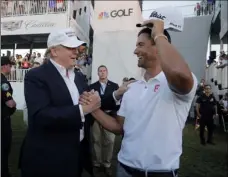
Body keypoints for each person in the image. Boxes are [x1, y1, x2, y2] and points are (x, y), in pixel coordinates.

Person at [80, 19, 197, 177]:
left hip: (160, 173)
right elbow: (120, 127)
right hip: (125, 169)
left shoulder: (175, 83)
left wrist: (159, 35)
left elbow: (180, 75)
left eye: (140, 45)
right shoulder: (132, 88)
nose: (135, 51)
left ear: (158, 46)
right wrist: (94, 108)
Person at [19, 28, 127, 177]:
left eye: (76, 48)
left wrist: (117, 93)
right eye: (70, 47)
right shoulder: (36, 76)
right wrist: (82, 110)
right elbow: (40, 115)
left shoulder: (78, 77)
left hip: (76, 155)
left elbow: (93, 102)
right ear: (54, 51)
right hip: (49, 158)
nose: (76, 52)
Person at [90, 65, 119, 177]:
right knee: (97, 141)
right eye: (100, 71)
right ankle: (97, 164)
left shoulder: (114, 86)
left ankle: (107, 164)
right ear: (98, 74)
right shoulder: (92, 86)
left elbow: (117, 101)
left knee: (110, 141)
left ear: (107, 72)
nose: (102, 73)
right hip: (97, 117)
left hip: (109, 117)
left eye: (104, 71)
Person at [1, 56, 17, 177]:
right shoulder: (3, 82)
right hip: (3, 120)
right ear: (4, 65)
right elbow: (10, 103)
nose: (11, 68)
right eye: (10, 65)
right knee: (4, 148)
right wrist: (14, 104)